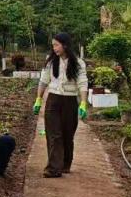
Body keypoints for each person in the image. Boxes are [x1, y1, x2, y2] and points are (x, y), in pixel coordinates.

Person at [33, 32, 89, 178]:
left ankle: (65, 164)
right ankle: (53, 168)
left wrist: (83, 103)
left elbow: (82, 83)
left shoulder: (78, 63)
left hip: (70, 101)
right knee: (54, 134)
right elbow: (43, 81)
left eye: (57, 45)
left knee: (67, 134)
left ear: (65, 45)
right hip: (53, 100)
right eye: (53, 45)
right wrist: (38, 99)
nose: (54, 48)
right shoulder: (51, 62)